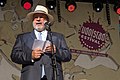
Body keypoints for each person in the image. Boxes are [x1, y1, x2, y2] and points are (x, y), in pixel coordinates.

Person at [10, 5, 71, 80]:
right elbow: (14, 56)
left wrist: (56, 51)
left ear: (47, 21)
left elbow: (68, 56)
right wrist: (30, 56)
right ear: (33, 20)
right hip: (31, 77)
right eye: (35, 17)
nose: (38, 19)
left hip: (53, 76)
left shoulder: (57, 37)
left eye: (41, 17)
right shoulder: (23, 38)